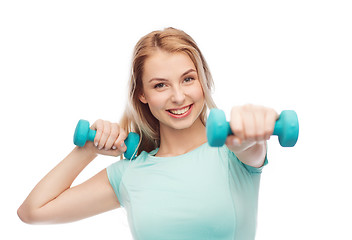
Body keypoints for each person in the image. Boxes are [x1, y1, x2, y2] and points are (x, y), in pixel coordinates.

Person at [18, 27, 278, 240]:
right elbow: (33, 211)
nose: (178, 96)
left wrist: (253, 129)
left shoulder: (233, 151)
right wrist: (88, 150)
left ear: (203, 81)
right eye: (160, 85)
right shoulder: (129, 174)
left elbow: (250, 147)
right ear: (142, 94)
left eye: (188, 79)